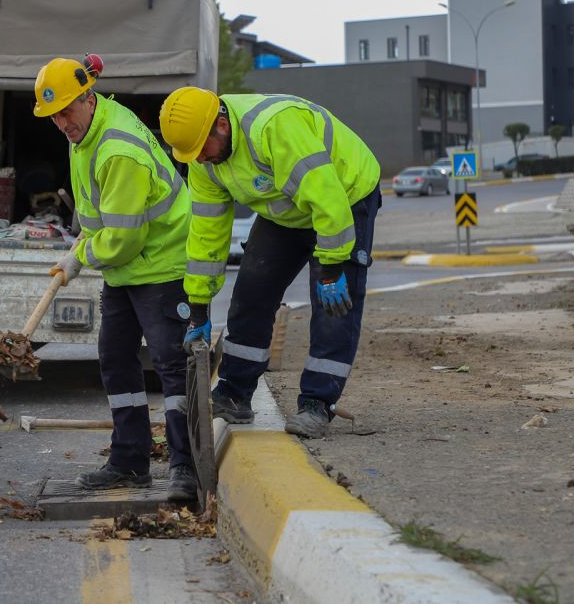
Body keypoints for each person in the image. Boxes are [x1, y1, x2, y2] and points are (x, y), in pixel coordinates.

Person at [158, 87, 381, 439]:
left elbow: (327, 197)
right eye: (191, 154)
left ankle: (317, 405)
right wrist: (198, 306)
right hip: (286, 209)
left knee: (333, 305)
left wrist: (333, 267)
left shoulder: (273, 129)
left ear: (221, 124)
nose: (198, 159)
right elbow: (206, 234)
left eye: (201, 149)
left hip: (345, 195)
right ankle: (234, 393)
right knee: (252, 292)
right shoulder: (202, 162)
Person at [34, 55, 199, 501]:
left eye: (68, 111)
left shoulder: (118, 149)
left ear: (88, 98)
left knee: (170, 363)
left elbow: (123, 238)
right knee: (115, 357)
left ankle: (187, 467)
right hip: (127, 269)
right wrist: (79, 250)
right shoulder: (85, 132)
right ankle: (129, 462)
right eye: (54, 116)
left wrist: (81, 256)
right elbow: (100, 213)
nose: (62, 123)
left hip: (162, 265)